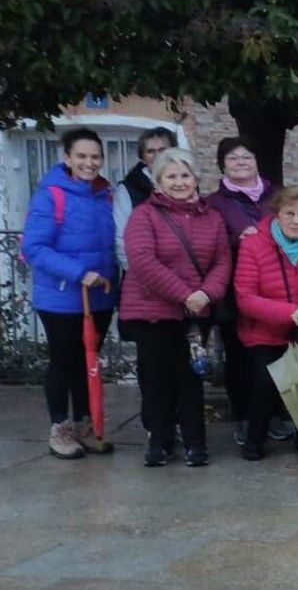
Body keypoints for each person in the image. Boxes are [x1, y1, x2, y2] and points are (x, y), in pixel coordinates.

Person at [121, 147, 232, 467]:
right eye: (171, 176)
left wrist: (206, 294)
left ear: (195, 178)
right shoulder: (144, 216)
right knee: (157, 381)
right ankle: (160, 442)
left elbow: (222, 261)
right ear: (158, 181)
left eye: (185, 175)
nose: (179, 182)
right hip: (153, 313)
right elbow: (143, 261)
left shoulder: (212, 218)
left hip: (195, 314)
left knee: (190, 380)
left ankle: (196, 443)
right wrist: (185, 295)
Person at [22, 128, 118, 459]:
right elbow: (34, 248)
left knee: (86, 362)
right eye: (81, 156)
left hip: (98, 297)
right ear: (67, 158)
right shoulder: (51, 195)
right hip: (62, 298)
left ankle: (83, 424)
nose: (89, 163)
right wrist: (78, 273)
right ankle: (59, 428)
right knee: (63, 362)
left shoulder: (105, 195)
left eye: (95, 156)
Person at [233, 187, 298, 460]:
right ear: (277, 214)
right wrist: (290, 312)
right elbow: (245, 297)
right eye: (289, 213)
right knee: (266, 382)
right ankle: (254, 438)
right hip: (264, 329)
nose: (296, 220)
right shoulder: (254, 244)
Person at [206, 138, 279, 445]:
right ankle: (244, 418)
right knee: (238, 356)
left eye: (246, 156)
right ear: (222, 165)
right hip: (232, 290)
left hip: (276, 289)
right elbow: (208, 243)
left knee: (275, 354)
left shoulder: (277, 195)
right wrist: (237, 239)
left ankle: (274, 416)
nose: (240, 162)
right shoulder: (214, 203)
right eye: (233, 158)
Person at [113, 126, 176, 270]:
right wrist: (138, 272)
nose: (157, 156)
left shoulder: (186, 185)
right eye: (150, 151)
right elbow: (121, 239)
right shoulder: (128, 189)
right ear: (143, 157)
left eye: (163, 150)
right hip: (142, 272)